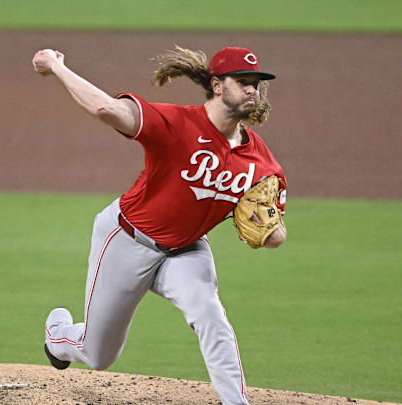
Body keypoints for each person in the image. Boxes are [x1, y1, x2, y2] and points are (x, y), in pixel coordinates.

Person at [31, 45, 287, 405]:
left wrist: (272, 231)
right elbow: (106, 108)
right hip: (126, 239)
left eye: (255, 83)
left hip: (187, 251)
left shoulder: (260, 160)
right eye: (242, 81)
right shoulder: (176, 124)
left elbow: (275, 233)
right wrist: (57, 67)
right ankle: (59, 336)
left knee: (211, 315)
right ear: (217, 85)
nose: (251, 90)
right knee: (99, 356)